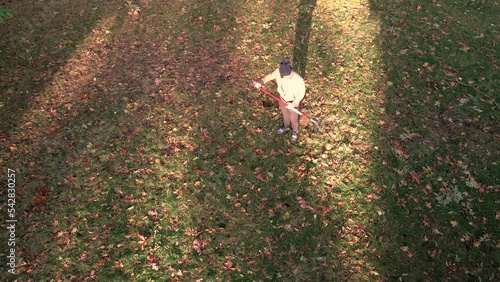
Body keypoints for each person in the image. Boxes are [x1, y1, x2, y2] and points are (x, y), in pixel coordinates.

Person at [253, 57, 306, 141]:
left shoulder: (298, 79)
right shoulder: (278, 72)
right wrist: (261, 82)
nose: (284, 78)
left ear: (291, 72)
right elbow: (269, 76)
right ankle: (286, 126)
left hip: (292, 102)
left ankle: (295, 131)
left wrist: (293, 104)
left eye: (287, 77)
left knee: (294, 119)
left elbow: (301, 92)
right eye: (283, 76)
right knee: (285, 115)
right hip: (282, 99)